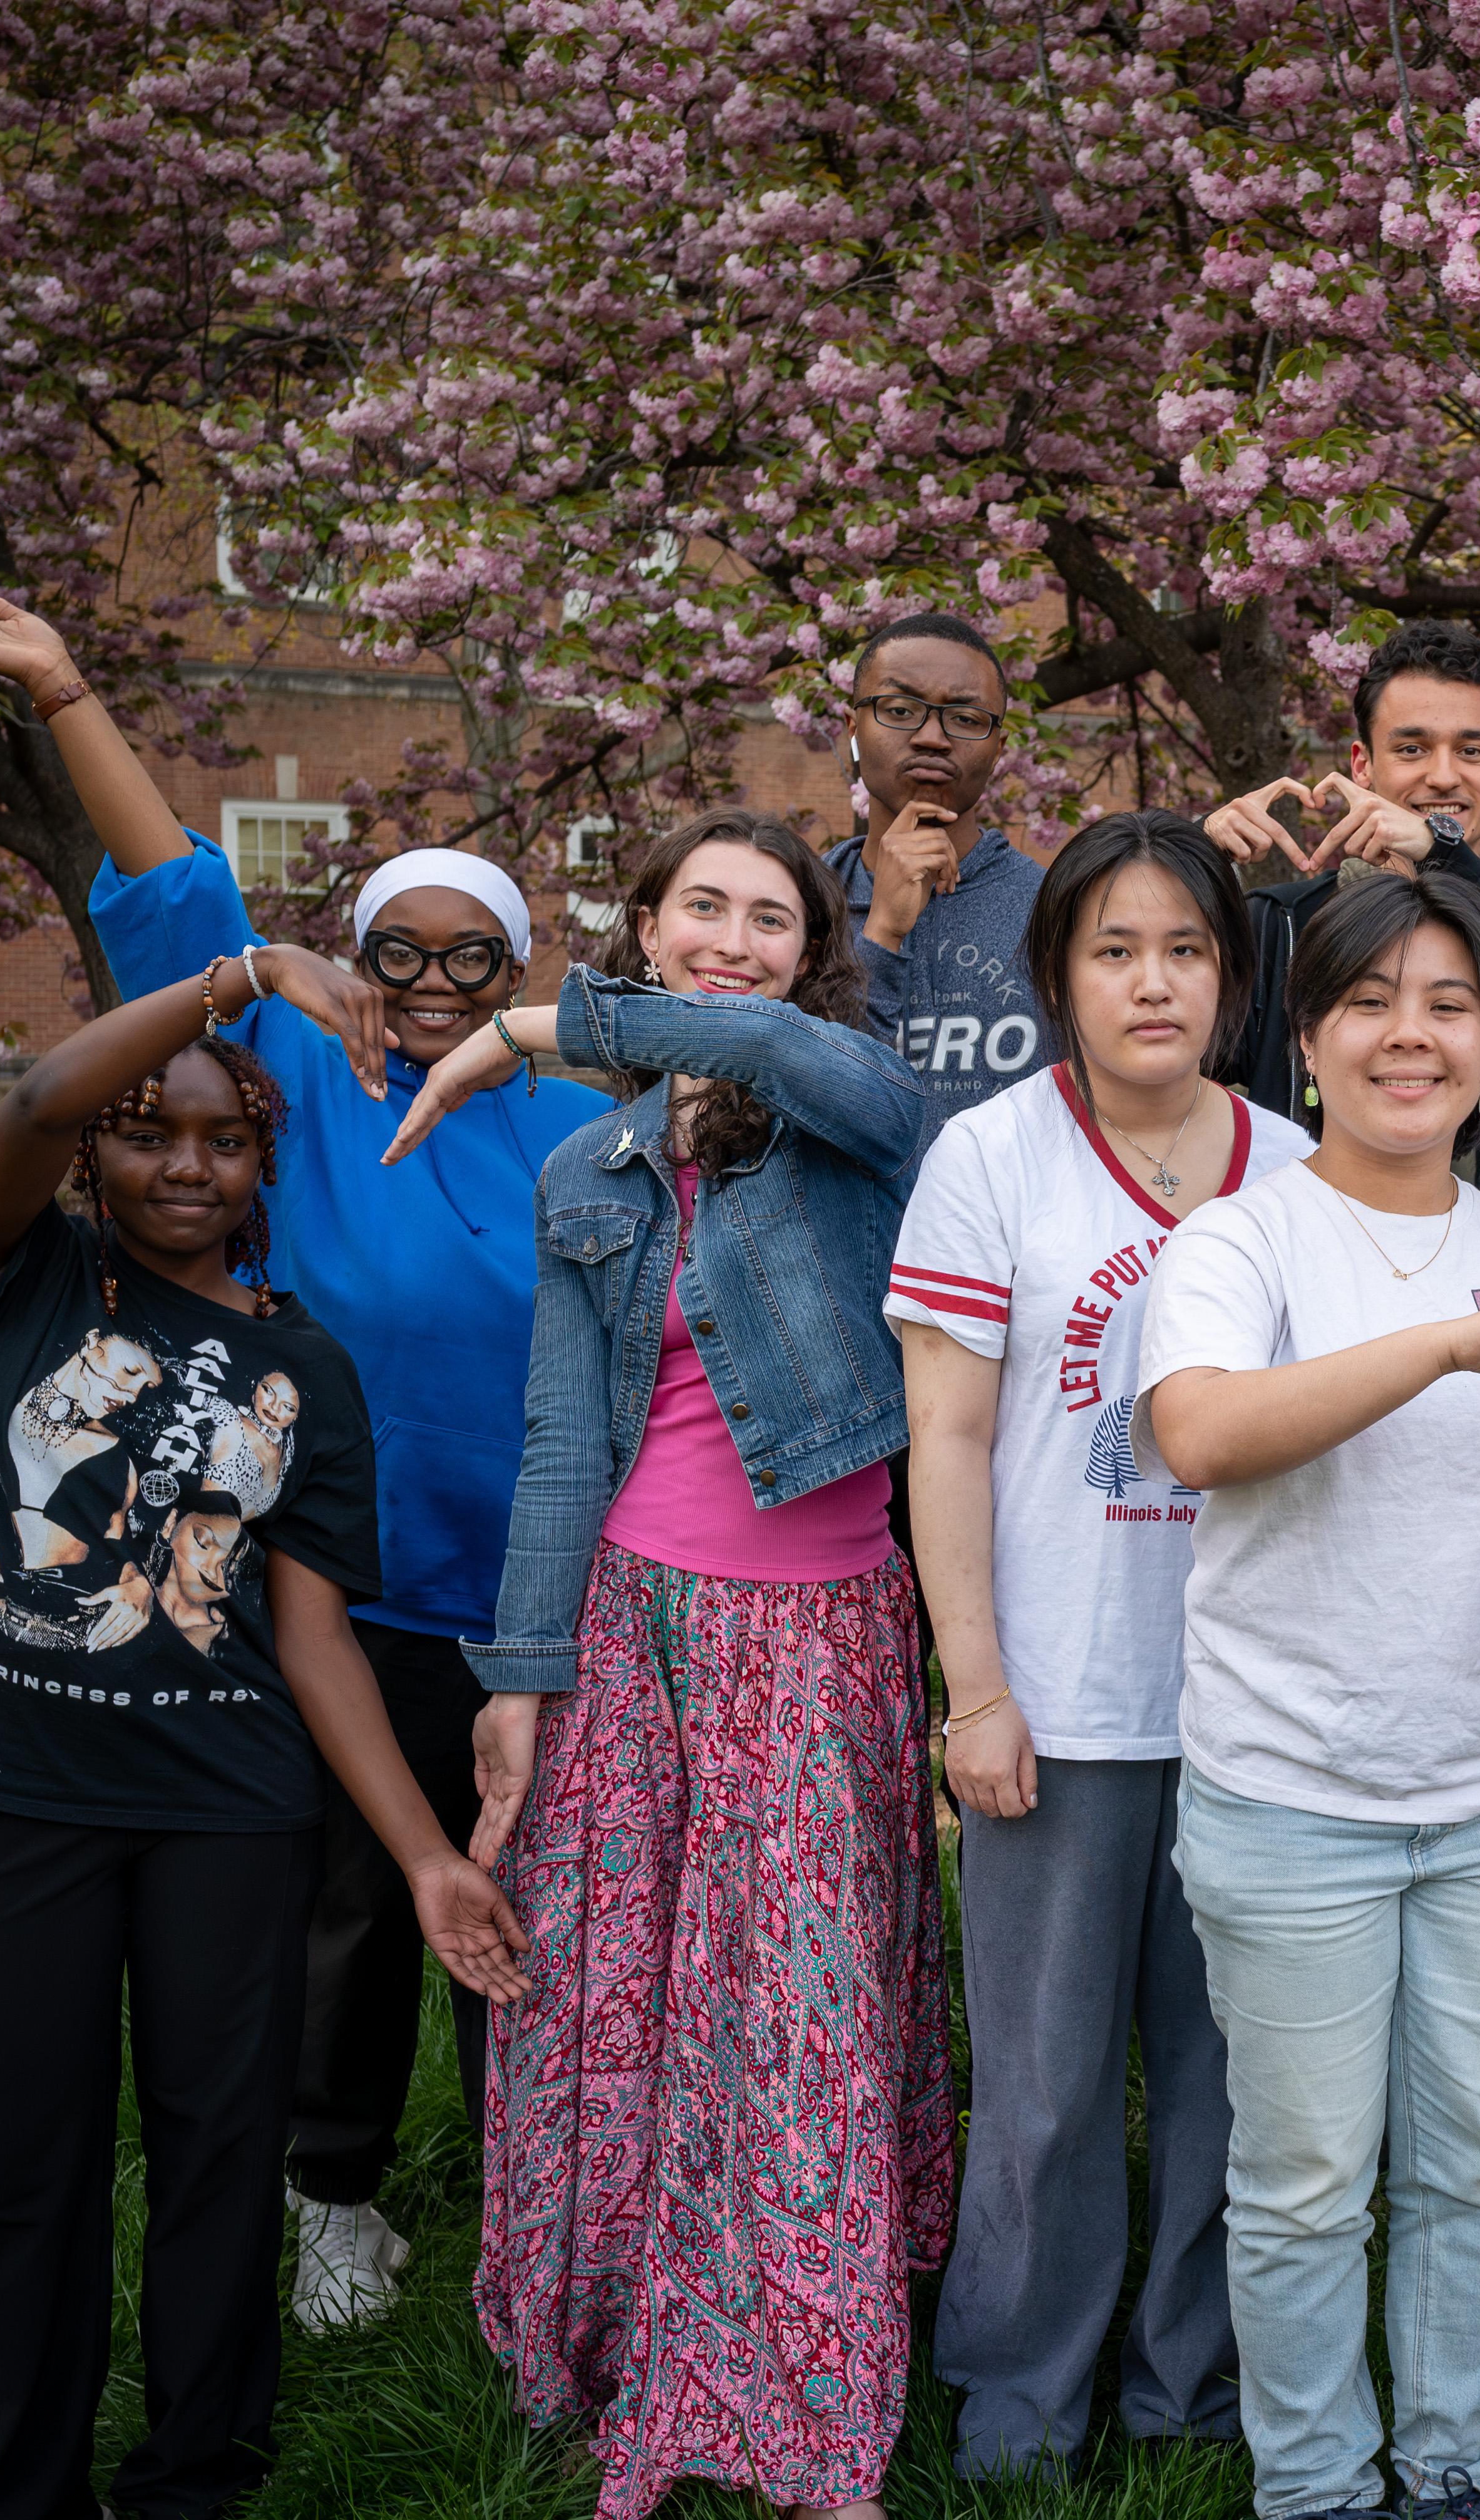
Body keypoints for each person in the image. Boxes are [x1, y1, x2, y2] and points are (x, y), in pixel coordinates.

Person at [0, 589, 617, 2330]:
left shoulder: (582, 1120)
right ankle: (337, 2185)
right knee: (350, 1906)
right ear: (362, 957)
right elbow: (176, 897)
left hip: (530, 1590)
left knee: (538, 1900)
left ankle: (547, 2196)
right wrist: (69, 687)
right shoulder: (298, 1060)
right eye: (404, 949)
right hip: (327, 1586)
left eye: (474, 956)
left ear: (521, 971)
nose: (435, 982)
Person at [0, 942, 527, 2520]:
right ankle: (23, 2485)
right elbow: (38, 1090)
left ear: (268, 1159)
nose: (184, 1162)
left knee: (218, 2152)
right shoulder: (19, 1277)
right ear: (97, 1153)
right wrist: (239, 981)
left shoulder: (304, 1363)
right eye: (146, 1131)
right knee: (21, 2162)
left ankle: (197, 2470)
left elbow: (316, 1636)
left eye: (222, 1137)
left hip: (231, 1813)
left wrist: (425, 1855)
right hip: (13, 1798)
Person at [391, 810, 948, 2520]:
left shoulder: (854, 1115)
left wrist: (525, 1029)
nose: (731, 940)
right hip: (631, 1625)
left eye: (769, 917)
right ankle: (638, 2342)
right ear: (643, 922)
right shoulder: (593, 1174)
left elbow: (768, 1051)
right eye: (698, 907)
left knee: (789, 2012)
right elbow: (568, 1437)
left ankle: (807, 2388)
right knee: (622, 2000)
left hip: (819, 1631)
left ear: (811, 952)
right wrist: (520, 1671)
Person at [1133, 870, 1480, 2520]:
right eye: (1368, 1000)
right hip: (1291, 1802)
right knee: (1302, 2184)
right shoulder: (1241, 1239)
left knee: (1476, 2166)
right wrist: (1446, 1345)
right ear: (1307, 1035)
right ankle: (1318, 2486)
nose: (1407, 1036)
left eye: (1448, 1004)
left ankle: (1452, 2469)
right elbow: (1203, 1432)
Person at [889, 811, 1304, 2476]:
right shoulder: (991, 1156)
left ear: (1234, 971)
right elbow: (954, 1442)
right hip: (1061, 1698)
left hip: (1262, 1712)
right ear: (1058, 972)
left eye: (1186, 949)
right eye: (1113, 949)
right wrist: (973, 1685)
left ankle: (1190, 2388)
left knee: (1229, 2091)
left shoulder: (1299, 1164)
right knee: (1048, 2088)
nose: (1152, 982)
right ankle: (1020, 2399)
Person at [1201, 619, 1480, 1184]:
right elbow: (1156, 1060)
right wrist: (1188, 866)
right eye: (1412, 748)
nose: (1443, 776)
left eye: (1471, 750)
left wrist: (1444, 854)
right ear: (1362, 766)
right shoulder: (1279, 926)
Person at [825, 608, 1057, 1140]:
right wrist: (881, 932)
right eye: (900, 709)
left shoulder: (1056, 908)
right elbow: (820, 1098)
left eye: (966, 718)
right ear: (852, 728)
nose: (932, 737)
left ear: (999, 747)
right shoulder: (798, 906)